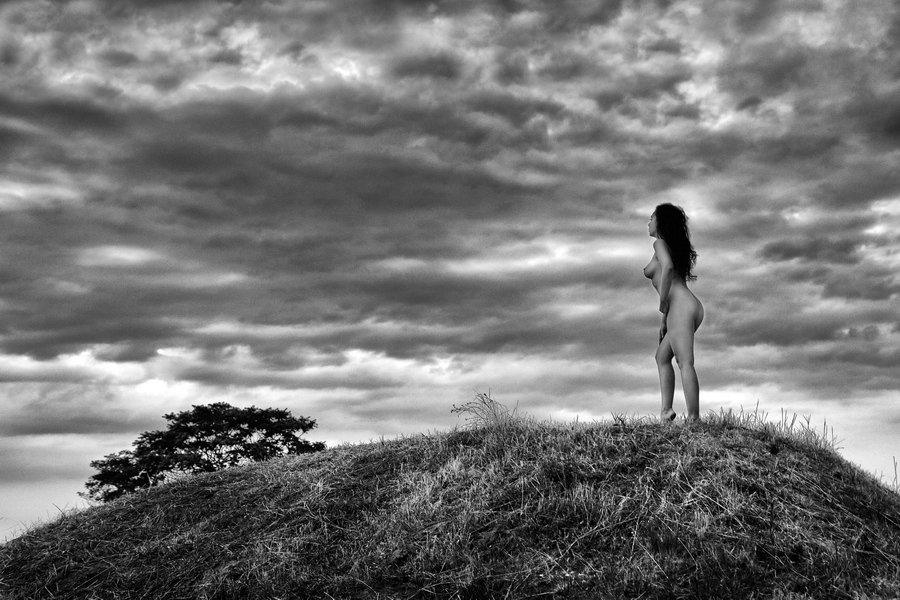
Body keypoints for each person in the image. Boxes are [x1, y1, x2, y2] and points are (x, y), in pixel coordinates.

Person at [642, 203, 704, 423]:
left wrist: (662, 300)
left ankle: (694, 419)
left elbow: (667, 268)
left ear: (661, 221)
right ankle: (666, 411)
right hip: (684, 306)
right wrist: (664, 319)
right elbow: (674, 281)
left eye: (652, 217)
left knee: (685, 362)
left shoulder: (660, 244)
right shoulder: (670, 246)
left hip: (681, 307)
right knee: (662, 357)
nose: (648, 222)